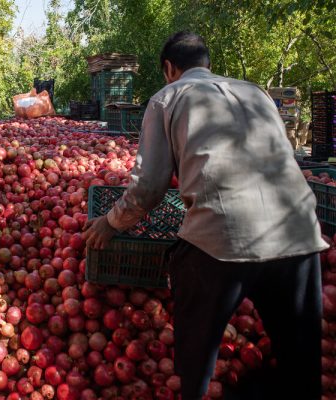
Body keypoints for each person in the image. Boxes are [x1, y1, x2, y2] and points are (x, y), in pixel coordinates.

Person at [83, 31, 328, 400]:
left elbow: (149, 188)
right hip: (300, 231)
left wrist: (111, 222)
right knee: (300, 365)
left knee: (196, 345)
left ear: (169, 68)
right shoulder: (256, 93)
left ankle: (195, 389)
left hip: (224, 238)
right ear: (208, 64)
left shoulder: (167, 99)